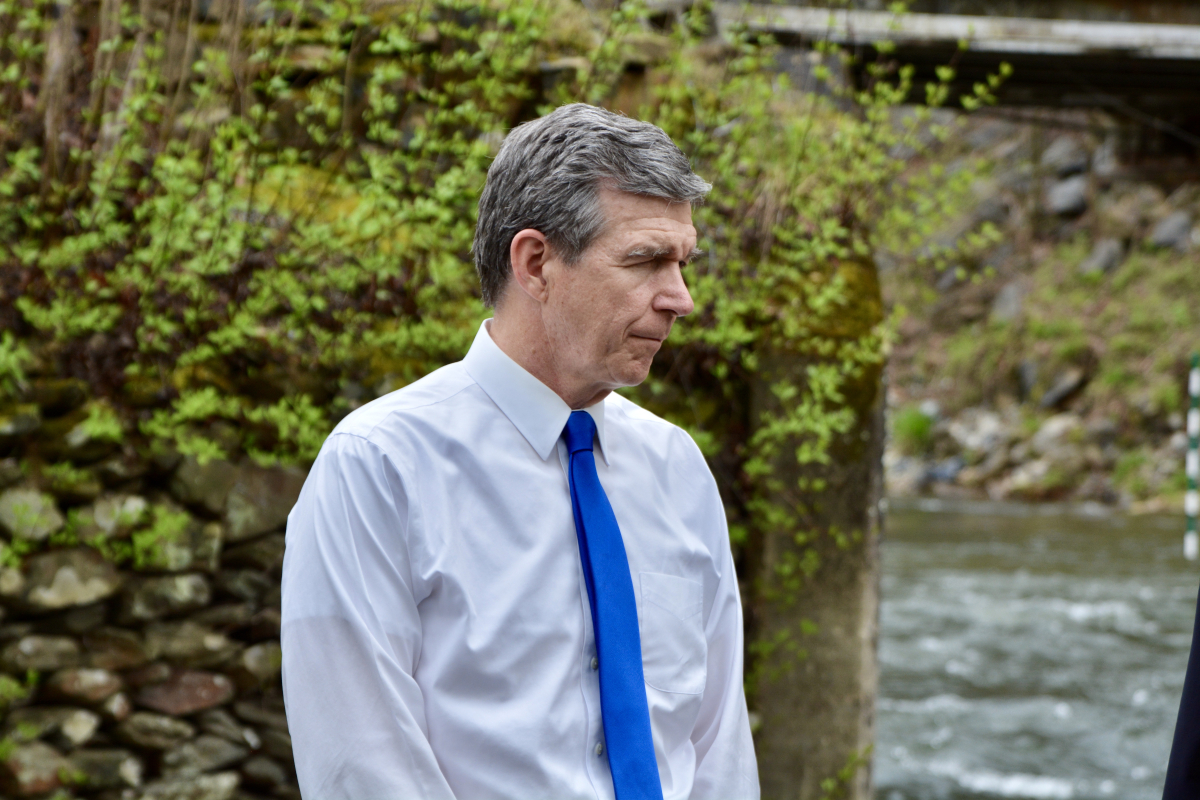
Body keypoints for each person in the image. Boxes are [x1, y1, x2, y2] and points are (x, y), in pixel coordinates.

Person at [280, 103, 759, 800]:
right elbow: (362, 766)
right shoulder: (379, 467)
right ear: (535, 262)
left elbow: (718, 750)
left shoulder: (677, 468)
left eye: (682, 263)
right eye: (646, 261)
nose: (680, 299)